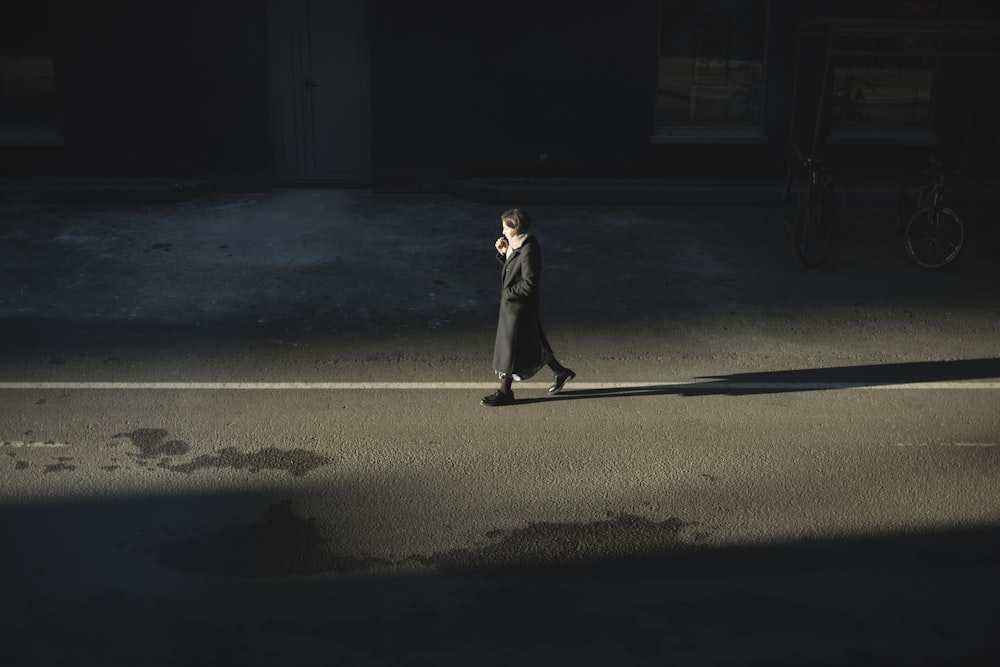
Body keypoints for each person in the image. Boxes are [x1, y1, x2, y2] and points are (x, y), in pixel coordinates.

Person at [481, 208, 575, 407]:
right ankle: (560, 372)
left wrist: (507, 293)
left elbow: (529, 283)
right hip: (515, 306)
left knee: (511, 347)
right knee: (533, 342)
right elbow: (514, 271)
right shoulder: (517, 244)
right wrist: (504, 254)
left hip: (519, 308)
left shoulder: (529, 249)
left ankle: (505, 391)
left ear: (516, 228)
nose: (503, 231)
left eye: (506, 227)